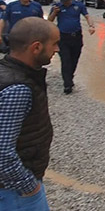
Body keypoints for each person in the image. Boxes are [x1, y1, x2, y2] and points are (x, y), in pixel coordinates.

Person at [0, 17, 60, 210]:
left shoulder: (6, 72)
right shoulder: (18, 89)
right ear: (36, 47)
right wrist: (29, 187)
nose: (57, 50)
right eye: (54, 44)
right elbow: (2, 152)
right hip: (14, 193)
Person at [47, 0, 95, 95]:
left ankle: (69, 77)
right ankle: (67, 85)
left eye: (67, 0)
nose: (65, 2)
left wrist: (91, 26)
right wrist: (55, 12)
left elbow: (87, 16)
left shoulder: (78, 5)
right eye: (63, 0)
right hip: (62, 38)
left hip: (76, 37)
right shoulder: (57, 7)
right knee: (66, 60)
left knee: (74, 60)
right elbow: (49, 21)